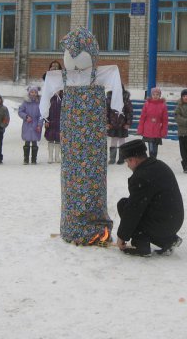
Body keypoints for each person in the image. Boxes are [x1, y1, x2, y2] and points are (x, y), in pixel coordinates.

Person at [40, 28, 123, 246]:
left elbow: (115, 80)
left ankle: (93, 221)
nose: (74, 61)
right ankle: (72, 223)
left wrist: (117, 107)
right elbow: (47, 88)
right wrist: (44, 112)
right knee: (72, 177)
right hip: (72, 137)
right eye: (70, 55)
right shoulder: (61, 77)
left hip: (93, 137)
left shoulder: (101, 74)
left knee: (93, 175)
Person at [115, 139, 184, 257]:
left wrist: (122, 236)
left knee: (124, 206)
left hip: (162, 222)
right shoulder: (158, 165)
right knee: (129, 205)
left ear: (134, 160)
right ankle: (168, 240)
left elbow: (134, 210)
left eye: (127, 162)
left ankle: (140, 246)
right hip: (174, 220)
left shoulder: (141, 177)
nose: (128, 166)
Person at [136, 86, 168, 159]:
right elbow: (142, 117)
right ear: (151, 95)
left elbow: (165, 120)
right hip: (148, 129)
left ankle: (154, 159)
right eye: (154, 94)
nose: (155, 96)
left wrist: (163, 130)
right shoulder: (147, 104)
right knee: (150, 147)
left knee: (155, 147)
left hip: (157, 129)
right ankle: (151, 159)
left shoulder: (163, 105)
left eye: (157, 94)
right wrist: (140, 129)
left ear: (160, 95)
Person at [107, 85, 133, 165]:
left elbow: (129, 112)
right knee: (113, 141)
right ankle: (112, 158)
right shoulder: (109, 99)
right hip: (113, 124)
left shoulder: (126, 99)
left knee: (122, 141)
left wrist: (128, 123)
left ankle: (122, 158)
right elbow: (106, 112)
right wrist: (107, 122)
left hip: (123, 124)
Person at [19, 86, 44, 165]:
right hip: (27, 124)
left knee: (34, 142)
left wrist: (39, 125)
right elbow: (20, 111)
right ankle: (26, 159)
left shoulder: (39, 103)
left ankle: (34, 159)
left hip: (35, 125)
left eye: (35, 92)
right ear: (29, 93)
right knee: (27, 142)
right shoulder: (25, 102)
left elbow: (41, 115)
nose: (33, 94)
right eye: (32, 92)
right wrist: (26, 117)